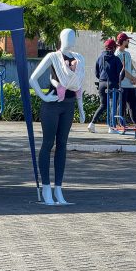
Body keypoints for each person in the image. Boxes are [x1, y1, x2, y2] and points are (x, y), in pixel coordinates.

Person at [29, 29, 86, 205]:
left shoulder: (79, 58)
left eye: (73, 35)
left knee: (62, 145)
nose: (71, 38)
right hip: (52, 105)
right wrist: (44, 97)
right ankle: (46, 188)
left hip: (68, 105)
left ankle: (58, 189)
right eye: (67, 35)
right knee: (48, 144)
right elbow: (32, 79)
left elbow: (78, 85)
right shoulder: (53, 56)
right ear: (61, 38)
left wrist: (81, 109)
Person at [88, 39, 123, 133]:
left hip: (101, 83)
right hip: (112, 83)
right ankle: (111, 128)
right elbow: (121, 73)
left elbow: (96, 73)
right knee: (113, 105)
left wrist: (102, 79)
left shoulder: (100, 58)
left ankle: (92, 124)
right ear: (114, 48)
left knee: (103, 105)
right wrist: (118, 81)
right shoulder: (116, 59)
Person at [115, 33, 136, 127]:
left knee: (133, 105)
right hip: (122, 84)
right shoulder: (117, 54)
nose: (128, 42)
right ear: (123, 41)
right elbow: (122, 70)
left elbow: (131, 66)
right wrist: (132, 78)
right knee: (122, 105)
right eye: (127, 40)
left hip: (129, 84)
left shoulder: (127, 53)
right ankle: (120, 122)